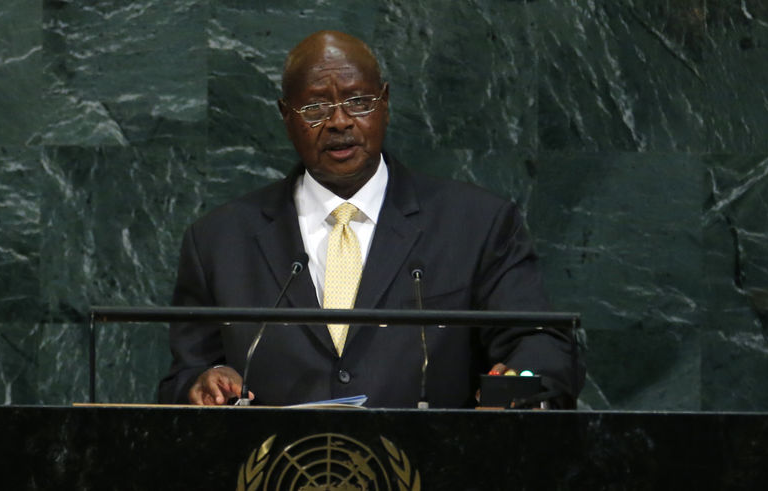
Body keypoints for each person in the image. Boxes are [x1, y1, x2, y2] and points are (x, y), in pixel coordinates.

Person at [158, 30, 583, 408]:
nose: (339, 121)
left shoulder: (478, 224)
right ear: (286, 117)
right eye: (315, 108)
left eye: (358, 101)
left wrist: (520, 387)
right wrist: (200, 385)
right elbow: (182, 377)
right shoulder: (219, 240)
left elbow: (538, 345)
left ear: (385, 103)